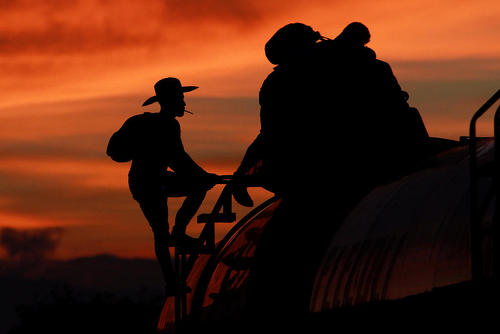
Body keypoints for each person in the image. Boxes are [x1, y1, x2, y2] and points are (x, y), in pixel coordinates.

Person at [108, 77, 220, 295]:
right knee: (160, 230)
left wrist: (201, 176)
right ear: (170, 101)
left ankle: (179, 232)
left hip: (155, 180)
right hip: (146, 184)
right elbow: (178, 159)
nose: (184, 104)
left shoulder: (162, 124)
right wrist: (202, 176)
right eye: (181, 98)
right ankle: (171, 281)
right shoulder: (165, 125)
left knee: (191, 195)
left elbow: (179, 160)